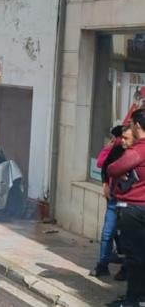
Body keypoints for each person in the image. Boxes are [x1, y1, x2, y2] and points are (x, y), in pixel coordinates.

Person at [107, 108, 145, 306]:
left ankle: (131, 301)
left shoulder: (138, 150)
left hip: (134, 209)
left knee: (134, 257)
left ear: (138, 126)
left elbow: (112, 168)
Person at [90, 125, 131, 280]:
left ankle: (127, 268)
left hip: (131, 201)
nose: (121, 141)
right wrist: (105, 184)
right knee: (108, 232)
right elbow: (105, 166)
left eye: (125, 138)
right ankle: (102, 264)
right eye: (122, 137)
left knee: (129, 235)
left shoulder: (137, 153)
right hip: (114, 198)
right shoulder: (118, 148)